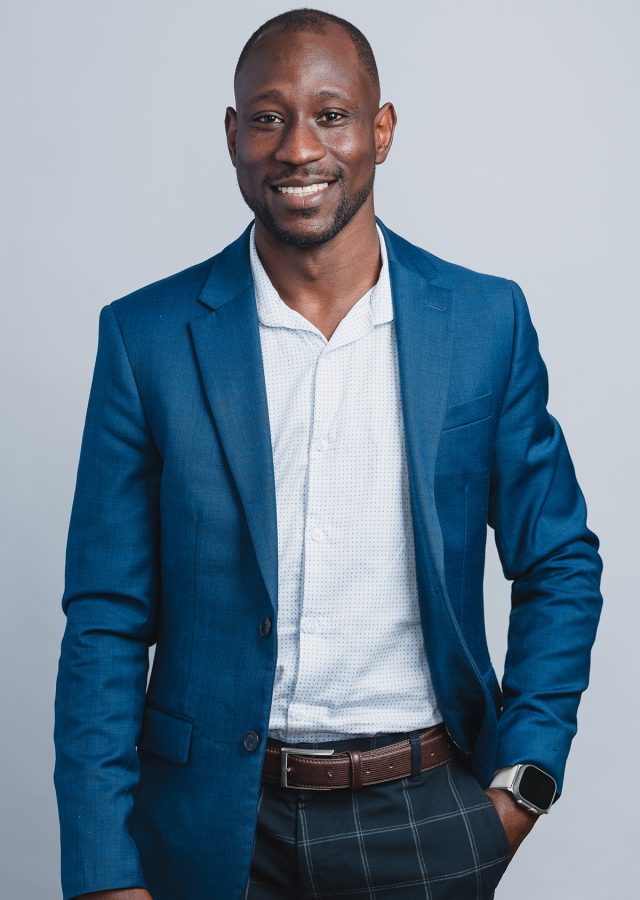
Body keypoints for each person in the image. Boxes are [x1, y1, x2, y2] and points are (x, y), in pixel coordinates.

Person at [52, 8, 604, 900]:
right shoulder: (146, 338)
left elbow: (560, 559)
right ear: (233, 136)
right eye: (268, 118)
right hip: (211, 824)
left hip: (425, 813)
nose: (298, 148)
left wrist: (523, 783)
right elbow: (106, 618)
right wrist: (102, 871)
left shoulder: (483, 322)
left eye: (332, 115)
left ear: (380, 131)